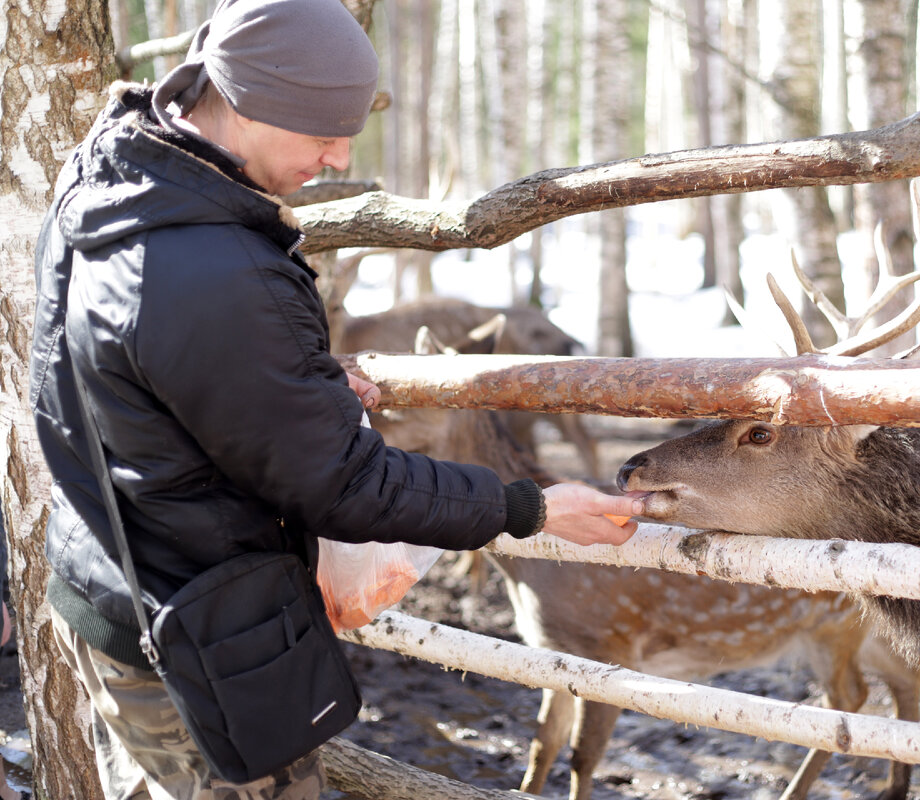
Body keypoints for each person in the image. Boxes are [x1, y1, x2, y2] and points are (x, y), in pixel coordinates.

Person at [29, 0, 642, 798]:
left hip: (112, 583)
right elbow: (347, 486)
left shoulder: (112, 172)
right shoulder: (215, 266)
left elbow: (126, 377)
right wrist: (528, 507)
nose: (340, 153)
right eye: (321, 131)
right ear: (247, 101)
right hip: (196, 637)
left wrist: (290, 385)